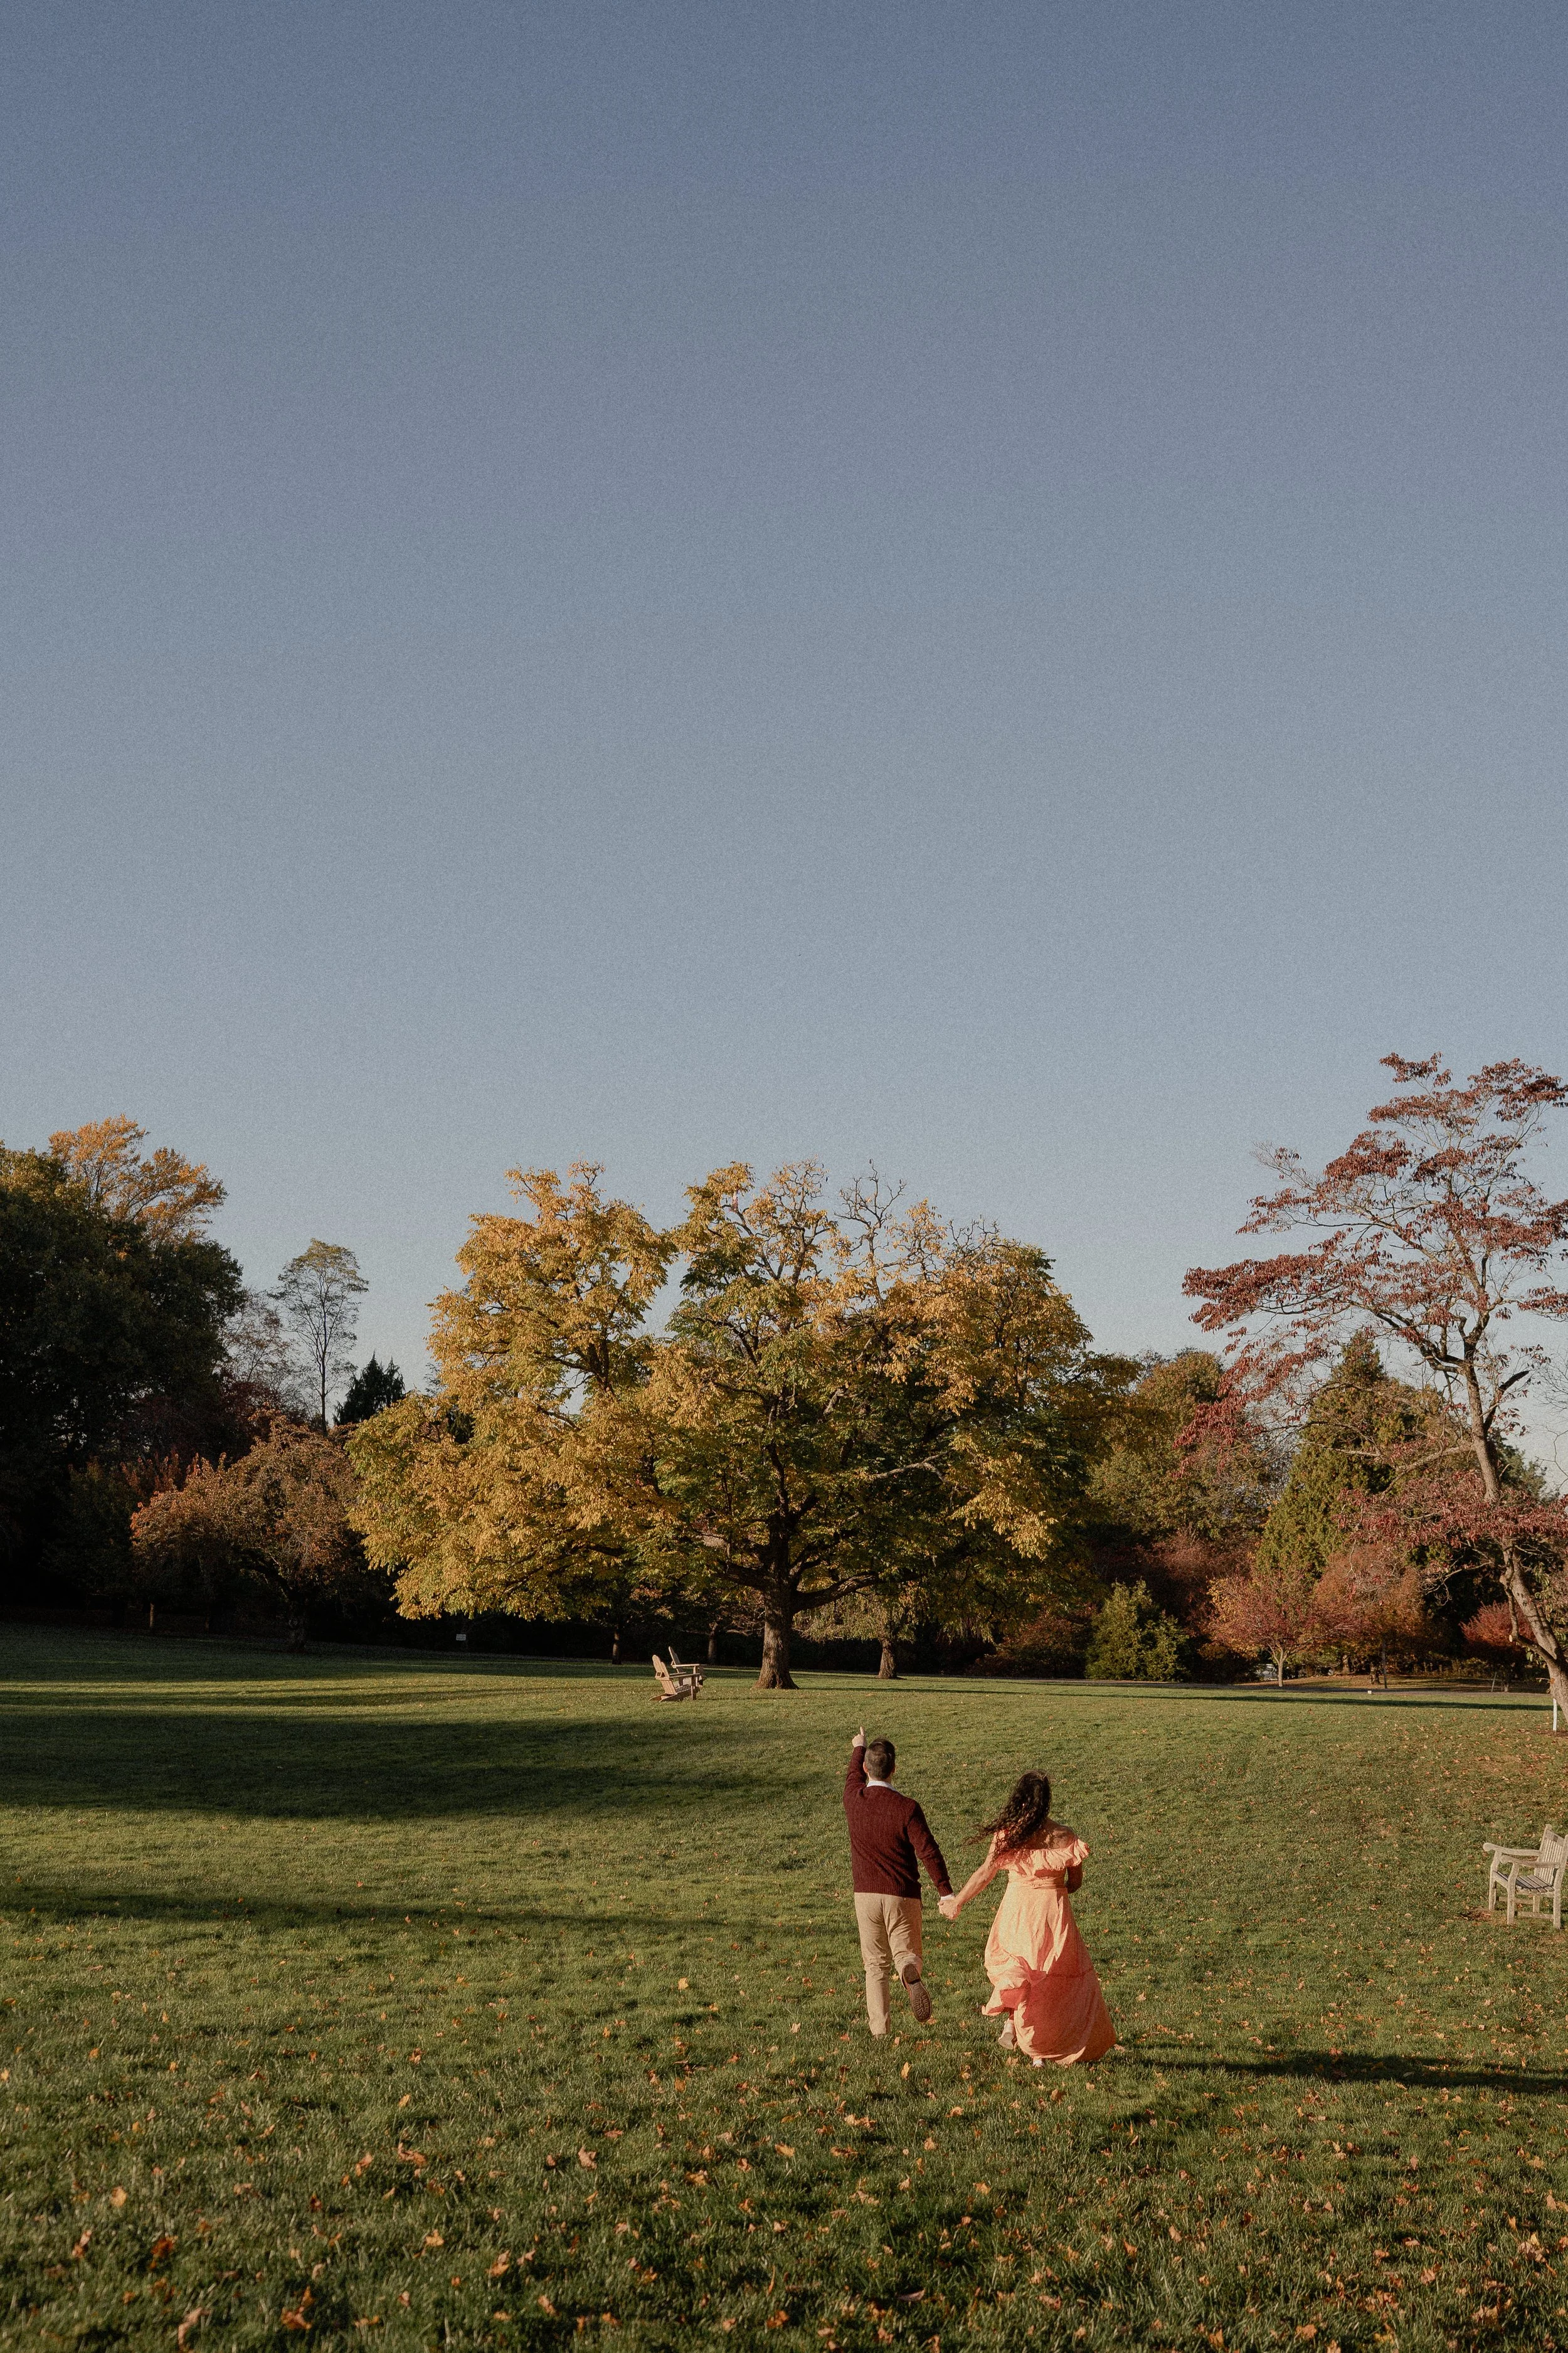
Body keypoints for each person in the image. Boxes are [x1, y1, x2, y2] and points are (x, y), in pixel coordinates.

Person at [938, 1769, 1114, 2068]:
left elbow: (985, 1874)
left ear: (1018, 1799)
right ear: (1046, 1802)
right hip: (1053, 1915)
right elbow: (1076, 1882)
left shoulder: (1009, 1835)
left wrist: (957, 1902)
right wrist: (1055, 1885)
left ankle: (1015, 2027)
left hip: (1018, 1911)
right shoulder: (1065, 1836)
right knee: (1049, 1978)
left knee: (1019, 1968)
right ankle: (1038, 2048)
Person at [844, 1725, 952, 2036]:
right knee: (907, 1955)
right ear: (895, 1769)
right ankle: (909, 1973)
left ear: (866, 1769)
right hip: (903, 1895)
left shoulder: (854, 1799)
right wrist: (945, 1892)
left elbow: (852, 1776)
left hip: (865, 1896)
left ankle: (880, 2031)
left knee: (875, 1966)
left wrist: (858, 1746)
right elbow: (929, 1852)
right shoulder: (907, 1808)